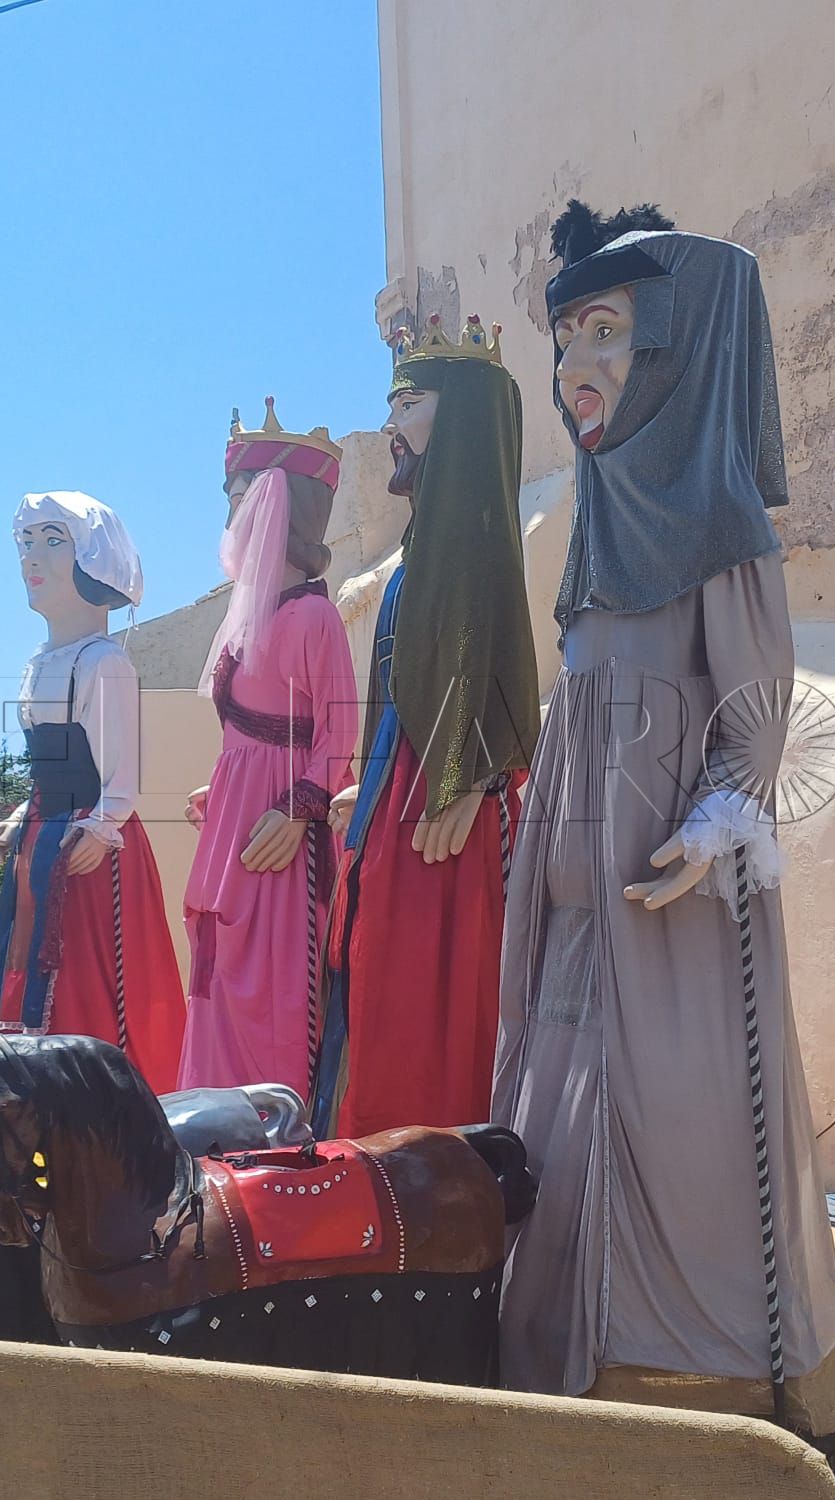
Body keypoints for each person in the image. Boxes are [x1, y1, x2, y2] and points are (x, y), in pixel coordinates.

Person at [492, 201, 835, 1445]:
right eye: (563, 341)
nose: (573, 368)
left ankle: (699, 1379)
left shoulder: (714, 520)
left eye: (606, 332)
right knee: (563, 1103)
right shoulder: (597, 530)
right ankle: (565, 1351)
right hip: (577, 895)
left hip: (671, 891)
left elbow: (756, 707)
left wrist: (714, 821)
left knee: (682, 1110)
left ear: (674, 346)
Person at [310, 315, 540, 1138]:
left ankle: (438, 1187)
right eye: (392, 405)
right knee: (384, 1002)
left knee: (434, 1019)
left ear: (463, 417)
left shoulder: (476, 543)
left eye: (409, 404)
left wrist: (471, 777)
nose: (391, 426)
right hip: (402, 809)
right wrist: (369, 789)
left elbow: (493, 668)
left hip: (449, 823)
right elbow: (406, 694)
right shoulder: (418, 559)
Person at [177, 400, 358, 1096]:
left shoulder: (314, 616)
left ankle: (277, 1130)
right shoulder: (248, 618)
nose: (232, 517)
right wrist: (222, 786)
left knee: (272, 987)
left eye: (241, 498)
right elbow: (250, 731)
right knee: (223, 971)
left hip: (280, 834)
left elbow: (338, 732)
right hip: (237, 824)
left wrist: (296, 810)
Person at [0, 491, 184, 1093]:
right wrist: (19, 817)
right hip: (42, 838)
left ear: (94, 559)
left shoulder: (103, 663)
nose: (31, 557)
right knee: (23, 959)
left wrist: (102, 825)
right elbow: (48, 769)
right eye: (26, 542)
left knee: (88, 974)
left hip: (88, 848)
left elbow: (120, 772)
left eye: (53, 541)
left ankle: (104, 1100)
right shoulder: (38, 663)